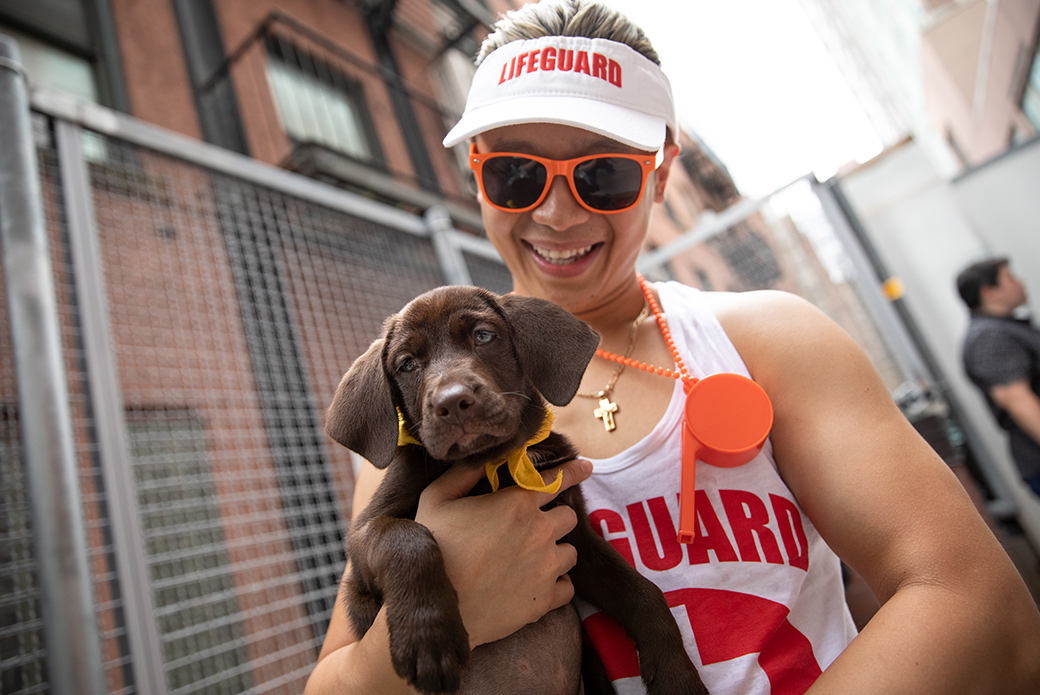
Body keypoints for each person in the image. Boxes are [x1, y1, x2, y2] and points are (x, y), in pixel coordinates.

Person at [306, 1, 1040, 693]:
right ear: (478, 178)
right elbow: (332, 681)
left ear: (660, 173)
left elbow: (980, 607)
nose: (557, 212)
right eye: (516, 174)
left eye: (604, 175)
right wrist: (452, 600)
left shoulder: (766, 338)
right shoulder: (421, 425)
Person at [957, 257, 1040, 495]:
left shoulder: (1006, 327)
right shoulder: (989, 336)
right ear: (989, 292)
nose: (1020, 282)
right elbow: (1016, 400)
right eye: (1010, 278)